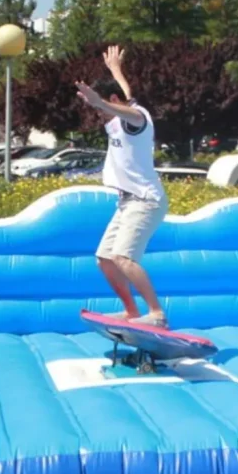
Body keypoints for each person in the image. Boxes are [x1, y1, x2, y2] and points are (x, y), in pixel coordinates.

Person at [76, 46, 169, 328]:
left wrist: (100, 101)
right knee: (105, 259)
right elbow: (127, 94)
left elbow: (127, 106)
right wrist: (115, 69)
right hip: (127, 202)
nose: (96, 112)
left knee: (123, 257)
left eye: (99, 106)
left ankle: (157, 314)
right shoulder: (122, 115)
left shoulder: (136, 119)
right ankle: (130, 310)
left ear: (112, 102)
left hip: (145, 200)